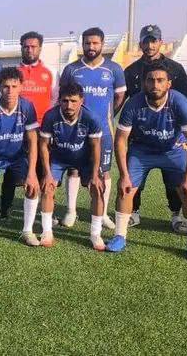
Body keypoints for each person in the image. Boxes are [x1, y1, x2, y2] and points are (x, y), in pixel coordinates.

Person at [107, 64, 187, 261]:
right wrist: (124, 175)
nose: (155, 85)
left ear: (169, 84)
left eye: (160, 80)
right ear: (144, 83)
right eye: (150, 80)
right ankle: (119, 236)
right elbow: (121, 140)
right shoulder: (134, 103)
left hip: (173, 150)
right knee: (125, 188)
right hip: (142, 150)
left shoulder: (179, 101)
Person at [124, 24, 187, 231]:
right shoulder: (131, 71)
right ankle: (133, 212)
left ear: (160, 42)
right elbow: (123, 99)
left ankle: (176, 215)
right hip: (140, 136)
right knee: (135, 179)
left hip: (170, 135)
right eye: (146, 41)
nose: (150, 45)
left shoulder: (175, 68)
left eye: (153, 40)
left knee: (173, 179)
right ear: (140, 44)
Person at [58, 27, 125, 229]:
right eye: (87, 43)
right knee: (74, 169)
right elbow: (63, 97)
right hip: (75, 130)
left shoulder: (114, 69)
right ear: (82, 44)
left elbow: (119, 97)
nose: (91, 47)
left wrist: (107, 115)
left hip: (104, 130)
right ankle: (71, 211)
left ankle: (102, 213)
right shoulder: (71, 70)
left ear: (102, 44)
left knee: (104, 172)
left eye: (95, 43)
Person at [0, 67, 40, 246]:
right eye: (5, 86)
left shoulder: (27, 107)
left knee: (32, 187)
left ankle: (27, 231)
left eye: (14, 86)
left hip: (17, 157)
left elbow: (33, 141)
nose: (10, 91)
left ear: (21, 87)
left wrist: (32, 173)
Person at [39, 83, 105, 249]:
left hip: (84, 159)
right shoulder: (51, 116)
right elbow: (43, 145)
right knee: (47, 188)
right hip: (59, 158)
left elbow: (96, 146)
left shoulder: (91, 118)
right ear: (59, 101)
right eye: (65, 101)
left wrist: (95, 175)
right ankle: (47, 232)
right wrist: (47, 174)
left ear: (82, 101)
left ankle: (95, 234)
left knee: (97, 188)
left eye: (74, 101)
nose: (69, 105)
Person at [1, 31, 54, 221]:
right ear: (21, 48)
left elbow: (54, 100)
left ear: (40, 48)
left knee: (41, 169)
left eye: (33, 46)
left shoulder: (49, 73)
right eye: (26, 46)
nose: (29, 50)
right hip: (15, 129)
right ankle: (5, 209)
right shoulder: (14, 73)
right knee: (11, 170)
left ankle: (43, 211)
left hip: (41, 130)